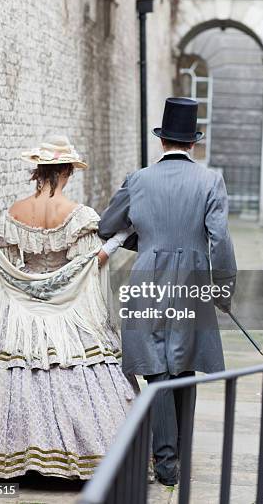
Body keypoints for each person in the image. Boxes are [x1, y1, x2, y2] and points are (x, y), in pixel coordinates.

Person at [0, 136, 135, 480]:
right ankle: (78, 459)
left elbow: (8, 265)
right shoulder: (78, 215)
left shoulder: (14, 213)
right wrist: (119, 241)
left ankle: (10, 458)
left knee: (13, 371)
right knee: (75, 373)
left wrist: (30, 285)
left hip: (20, 311)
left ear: (39, 171)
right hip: (66, 312)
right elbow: (85, 267)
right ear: (66, 170)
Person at [98, 97, 237, 486]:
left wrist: (144, 244)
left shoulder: (138, 180)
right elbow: (220, 242)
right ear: (193, 143)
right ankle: (178, 449)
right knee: (184, 363)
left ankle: (165, 459)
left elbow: (108, 225)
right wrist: (224, 291)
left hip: (147, 282)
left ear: (162, 142)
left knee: (155, 369)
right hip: (192, 283)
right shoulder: (211, 181)